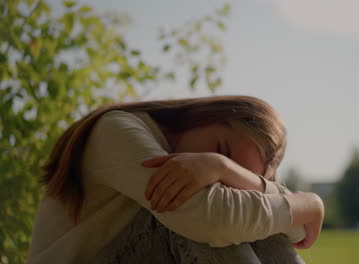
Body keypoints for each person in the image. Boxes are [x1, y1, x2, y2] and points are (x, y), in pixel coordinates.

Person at [27, 95, 324, 263]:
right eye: (222, 150)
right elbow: (211, 219)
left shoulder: (212, 169)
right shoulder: (115, 129)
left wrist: (223, 167)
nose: (218, 179)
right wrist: (305, 205)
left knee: (253, 220)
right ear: (208, 116)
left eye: (235, 173)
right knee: (203, 217)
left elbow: (294, 232)